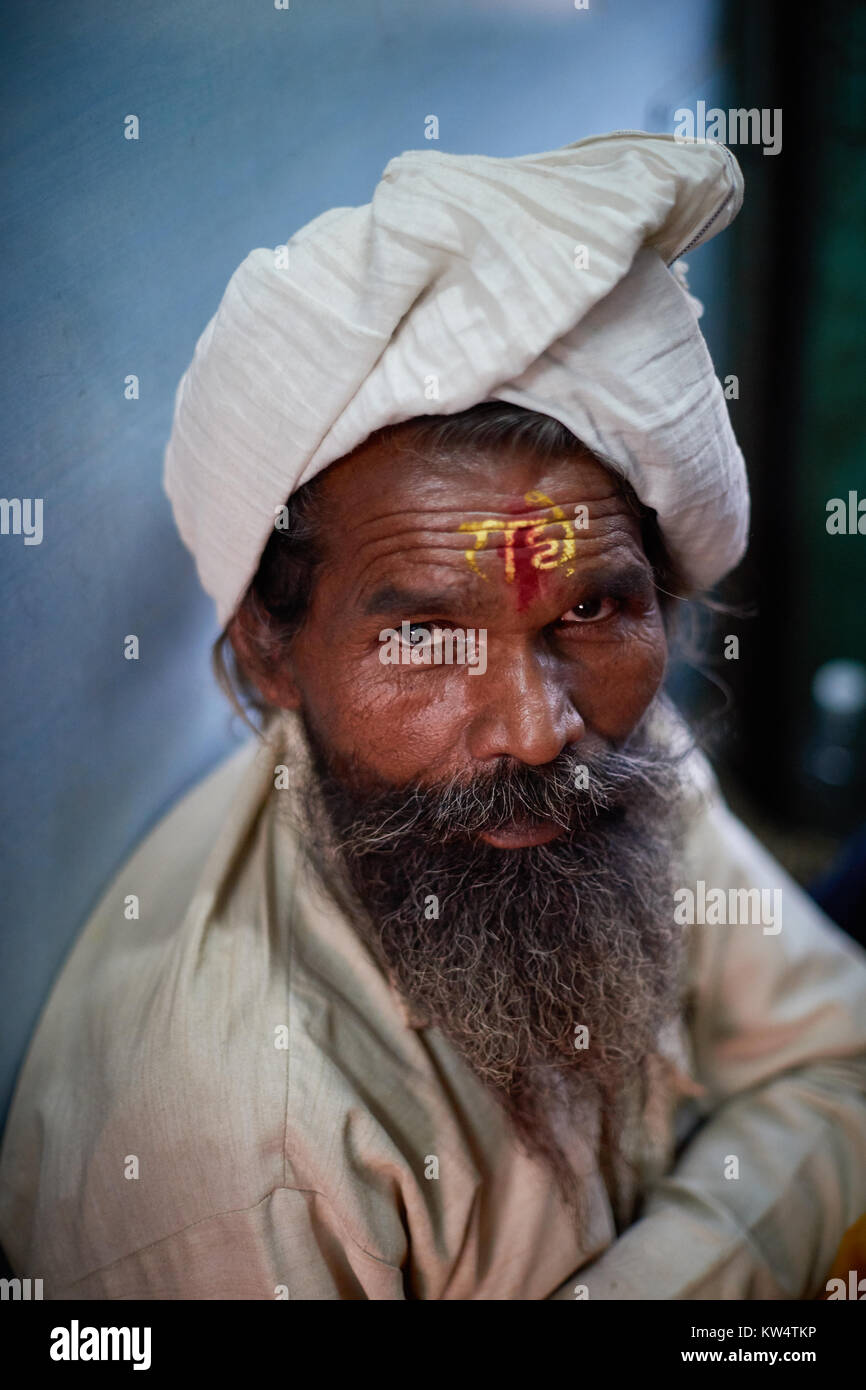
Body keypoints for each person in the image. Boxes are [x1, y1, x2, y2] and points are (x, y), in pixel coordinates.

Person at [1, 132, 864, 1301]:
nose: (534, 724)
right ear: (269, 654)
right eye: (419, 638)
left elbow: (834, 1058)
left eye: (595, 605)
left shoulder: (613, 758)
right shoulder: (242, 1171)